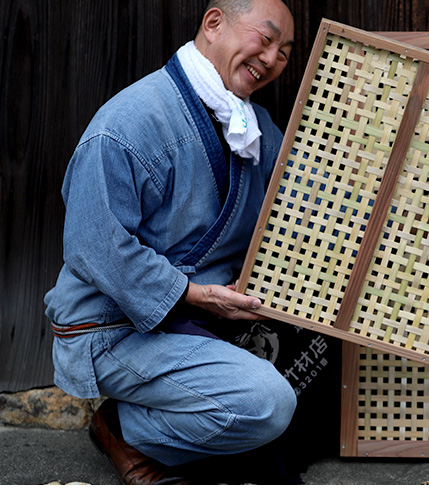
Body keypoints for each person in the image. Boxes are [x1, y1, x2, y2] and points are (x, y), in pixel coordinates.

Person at [43, 0, 297, 484]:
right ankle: (123, 427)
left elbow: (309, 202)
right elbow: (91, 245)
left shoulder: (254, 126)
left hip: (198, 317)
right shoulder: (130, 121)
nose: (271, 59)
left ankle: (143, 423)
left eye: (285, 52)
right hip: (113, 325)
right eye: (265, 39)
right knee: (267, 404)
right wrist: (196, 295)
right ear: (214, 23)